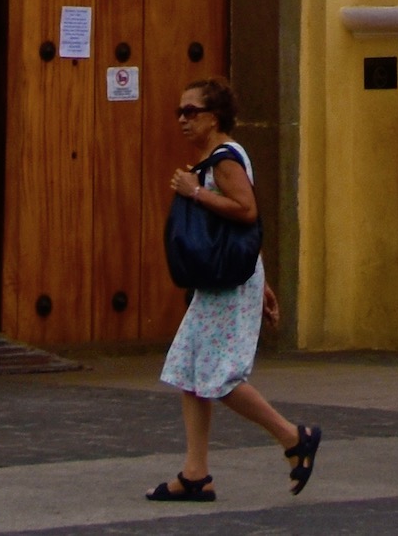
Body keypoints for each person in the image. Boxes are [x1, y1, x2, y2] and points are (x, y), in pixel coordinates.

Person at [153, 81, 319, 504]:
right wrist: (261, 280)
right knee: (192, 371)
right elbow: (242, 231)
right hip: (227, 280)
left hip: (227, 286)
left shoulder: (223, 160)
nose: (183, 119)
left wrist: (196, 192)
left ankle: (293, 436)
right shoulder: (222, 157)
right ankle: (196, 473)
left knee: (219, 376)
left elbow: (247, 211)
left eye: (192, 111)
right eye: (180, 112)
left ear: (214, 117)